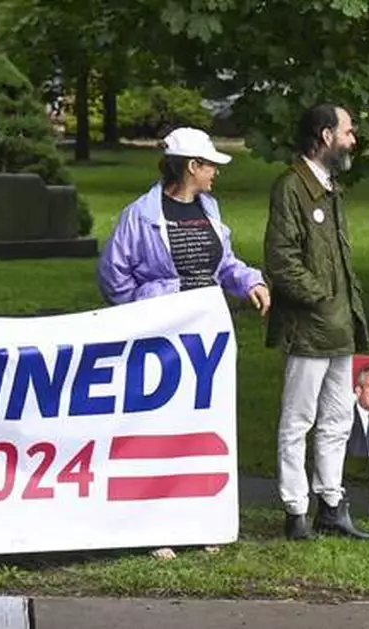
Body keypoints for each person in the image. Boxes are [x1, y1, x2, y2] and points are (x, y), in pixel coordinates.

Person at [97, 127, 270, 560]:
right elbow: (114, 276)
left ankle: (200, 520)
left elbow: (225, 263)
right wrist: (147, 311)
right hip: (160, 339)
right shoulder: (140, 215)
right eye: (210, 165)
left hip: (204, 336)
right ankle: (155, 526)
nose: (215, 173)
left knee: (202, 428)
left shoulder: (209, 207)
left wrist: (251, 281)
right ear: (191, 166)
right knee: (158, 430)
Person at [264, 103, 369, 542]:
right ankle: (295, 511)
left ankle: (331, 505)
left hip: (340, 325)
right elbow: (281, 258)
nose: (353, 139)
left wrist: (340, 306)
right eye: (348, 131)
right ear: (326, 136)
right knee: (298, 420)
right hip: (311, 327)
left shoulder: (330, 187)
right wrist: (321, 297)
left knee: (337, 419)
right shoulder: (292, 187)